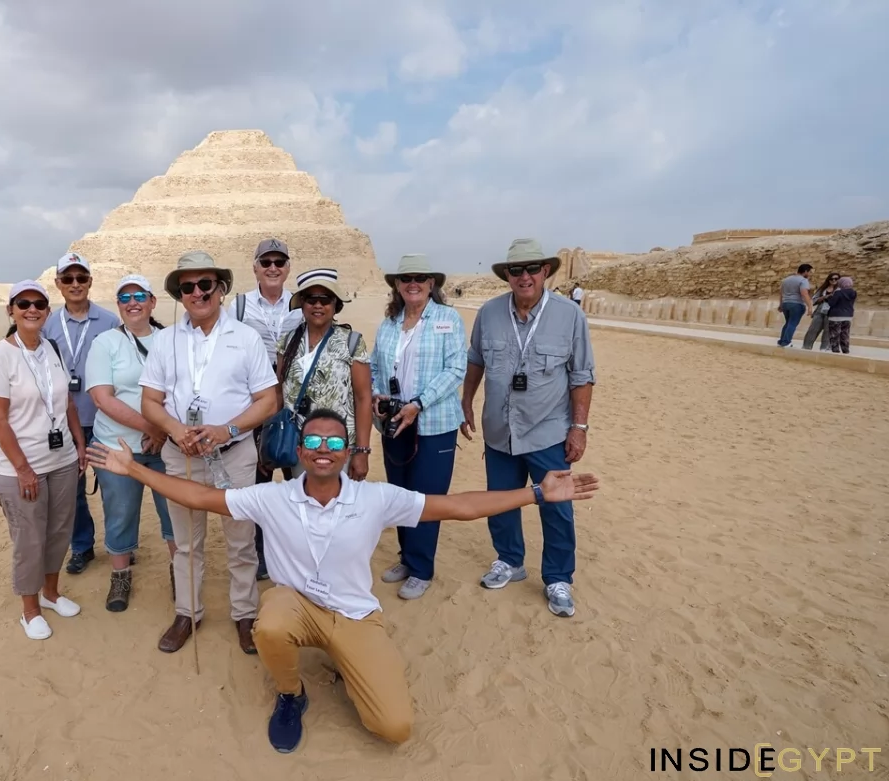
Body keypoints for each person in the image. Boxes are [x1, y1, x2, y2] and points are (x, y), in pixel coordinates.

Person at [85, 409, 599, 754]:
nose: (323, 449)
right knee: (271, 620)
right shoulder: (274, 498)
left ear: (346, 448)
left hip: (354, 614)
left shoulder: (376, 498)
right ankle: (292, 694)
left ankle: (348, 661)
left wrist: (535, 495)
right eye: (312, 440)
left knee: (393, 728)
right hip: (296, 607)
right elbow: (199, 498)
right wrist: (134, 471)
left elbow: (459, 507)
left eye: (334, 441)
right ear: (301, 450)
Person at [138, 250, 279, 655]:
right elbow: (150, 402)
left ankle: (244, 613)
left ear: (220, 289)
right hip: (181, 455)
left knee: (240, 539)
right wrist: (176, 430)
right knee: (185, 542)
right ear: (180, 295)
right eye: (188, 287)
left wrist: (226, 429)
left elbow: (267, 400)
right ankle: (188, 612)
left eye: (205, 285)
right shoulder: (165, 341)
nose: (198, 293)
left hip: (233, 454)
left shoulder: (245, 337)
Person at [462, 238, 596, 618]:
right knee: (501, 500)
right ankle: (509, 560)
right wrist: (467, 400)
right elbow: (476, 360)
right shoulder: (488, 313)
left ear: (545, 272)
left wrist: (580, 427)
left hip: (548, 430)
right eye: (516, 270)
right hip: (500, 429)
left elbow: (582, 375)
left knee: (556, 507)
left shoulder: (570, 315)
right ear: (507, 275)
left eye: (532, 269)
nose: (524, 277)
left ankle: (557, 577)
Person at [0, 280, 89, 640]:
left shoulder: (50, 347)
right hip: (19, 468)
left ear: (47, 309)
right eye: (23, 303)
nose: (32, 309)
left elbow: (67, 402)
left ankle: (51, 593)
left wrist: (79, 443)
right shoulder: (0, 356)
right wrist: (23, 470)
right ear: (10, 310)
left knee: (59, 531)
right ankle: (29, 611)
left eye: (39, 303)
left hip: (60, 460)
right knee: (29, 538)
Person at [369, 254, 466, 601]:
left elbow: (456, 370)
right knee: (400, 495)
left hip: (433, 423)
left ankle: (422, 568)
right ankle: (407, 558)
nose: (413, 284)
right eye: (406, 278)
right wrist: (379, 395)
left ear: (431, 284)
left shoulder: (447, 319)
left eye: (420, 278)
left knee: (426, 496)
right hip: (394, 423)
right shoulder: (389, 324)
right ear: (397, 284)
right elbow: (377, 368)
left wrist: (419, 403)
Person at [84, 274, 176, 612]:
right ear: (118, 306)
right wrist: (151, 427)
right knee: (120, 514)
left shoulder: (172, 339)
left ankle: (179, 574)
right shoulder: (105, 342)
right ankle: (120, 577)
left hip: (167, 447)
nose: (133, 302)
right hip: (117, 447)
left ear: (153, 302)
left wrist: (161, 432)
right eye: (125, 298)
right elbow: (102, 398)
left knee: (175, 514)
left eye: (139, 295)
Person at [41, 252, 120, 575]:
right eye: (68, 279)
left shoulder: (110, 321)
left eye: (81, 278)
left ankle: (120, 544)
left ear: (90, 281)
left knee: (115, 490)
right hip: (63, 422)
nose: (75, 284)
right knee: (70, 493)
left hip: (104, 420)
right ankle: (82, 547)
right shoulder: (46, 324)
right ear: (58, 284)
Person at [231, 238, 303, 581]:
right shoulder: (239, 306)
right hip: (255, 408)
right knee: (257, 485)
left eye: (279, 261)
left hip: (295, 409)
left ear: (288, 267)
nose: (273, 268)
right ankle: (259, 556)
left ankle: (292, 554)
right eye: (266, 262)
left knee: (297, 485)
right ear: (255, 266)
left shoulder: (303, 304)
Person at [274, 268, 372, 479]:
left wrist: (362, 451)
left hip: (339, 445)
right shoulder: (287, 343)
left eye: (325, 299)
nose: (318, 305)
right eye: (311, 299)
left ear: (335, 304)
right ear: (302, 304)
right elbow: (278, 395)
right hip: (300, 446)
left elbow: (363, 399)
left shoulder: (351, 342)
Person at [776, 264, 813, 348]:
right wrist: (810, 306)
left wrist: (781, 304)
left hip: (786, 303)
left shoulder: (786, 280)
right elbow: (804, 293)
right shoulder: (803, 280)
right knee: (792, 323)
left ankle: (781, 341)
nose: (810, 274)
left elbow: (781, 293)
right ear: (806, 271)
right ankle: (786, 342)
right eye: (810, 272)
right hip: (797, 304)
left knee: (788, 323)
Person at [802, 271, 840, 351]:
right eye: (831, 279)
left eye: (836, 279)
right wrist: (824, 297)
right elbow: (814, 300)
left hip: (832, 312)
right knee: (813, 329)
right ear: (828, 280)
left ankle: (824, 348)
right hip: (820, 311)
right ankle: (806, 347)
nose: (834, 280)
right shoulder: (823, 289)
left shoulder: (840, 290)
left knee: (828, 331)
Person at [824, 277, 858, 354]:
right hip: (848, 316)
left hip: (836, 316)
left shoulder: (838, 293)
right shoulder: (854, 293)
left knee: (834, 334)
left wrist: (829, 298)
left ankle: (835, 350)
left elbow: (831, 303)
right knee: (845, 333)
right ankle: (845, 350)